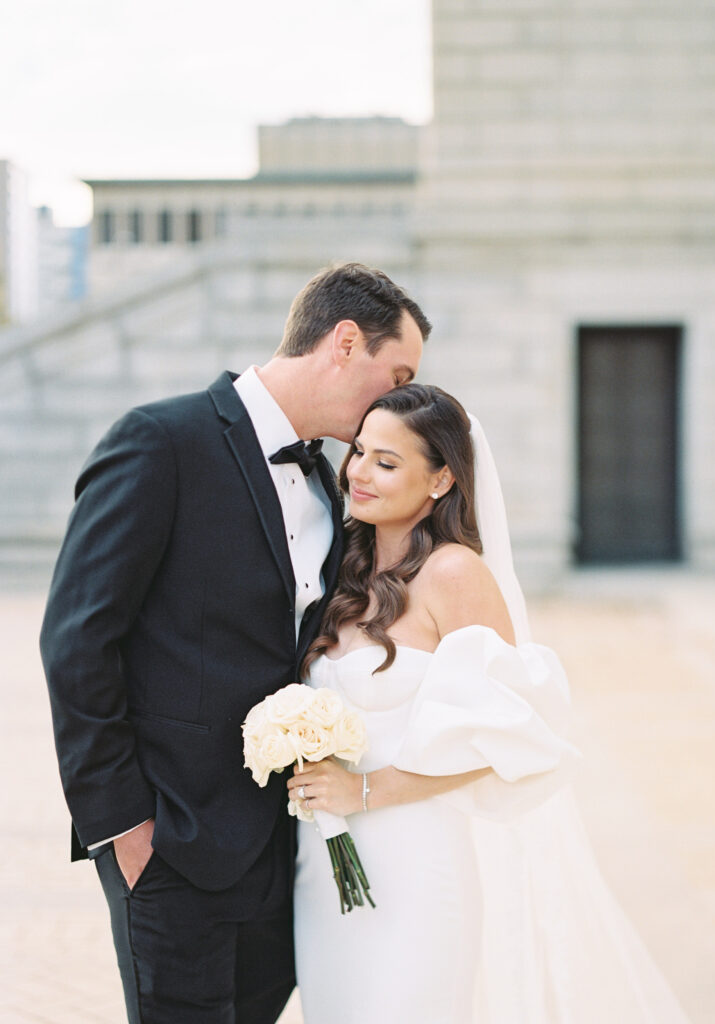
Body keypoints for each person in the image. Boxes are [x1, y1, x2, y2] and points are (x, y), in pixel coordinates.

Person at [39, 262, 430, 1024]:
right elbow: (78, 641)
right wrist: (124, 828)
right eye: (397, 374)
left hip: (284, 851)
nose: (398, 401)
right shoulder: (160, 441)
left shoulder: (330, 481)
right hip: (170, 841)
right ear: (345, 342)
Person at [287, 383, 692, 1023]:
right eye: (359, 452)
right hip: (324, 871)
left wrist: (362, 794)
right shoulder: (343, 568)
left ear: (442, 479)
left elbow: (511, 735)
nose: (358, 473)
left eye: (386, 463)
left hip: (416, 866)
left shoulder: (454, 575)